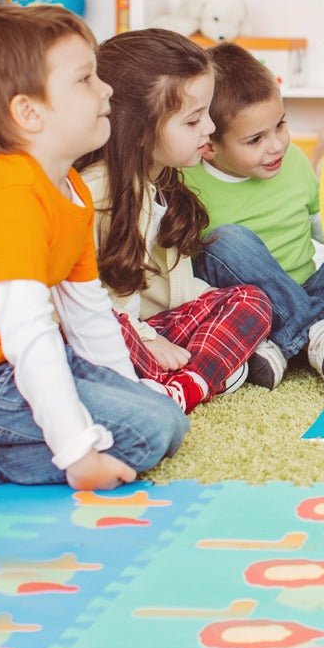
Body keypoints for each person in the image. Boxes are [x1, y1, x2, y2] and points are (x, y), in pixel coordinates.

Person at [0, 4, 187, 488]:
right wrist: (78, 454)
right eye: (85, 79)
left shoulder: (71, 189)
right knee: (144, 435)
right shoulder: (8, 200)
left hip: (9, 366)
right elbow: (27, 332)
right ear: (28, 112)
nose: (106, 90)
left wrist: (128, 390)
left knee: (164, 418)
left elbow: (88, 314)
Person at [77, 29, 275, 414]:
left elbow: (175, 290)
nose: (210, 129)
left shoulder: (160, 179)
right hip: (115, 331)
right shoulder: (98, 191)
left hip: (155, 326)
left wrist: (209, 310)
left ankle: (186, 383)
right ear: (139, 131)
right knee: (103, 336)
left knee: (251, 301)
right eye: (193, 121)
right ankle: (200, 374)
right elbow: (85, 298)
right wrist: (145, 338)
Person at [183, 42, 324, 397]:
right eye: (255, 140)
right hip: (249, 308)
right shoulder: (188, 183)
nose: (277, 146)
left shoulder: (294, 162)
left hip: (311, 293)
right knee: (225, 241)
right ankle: (316, 335)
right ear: (208, 145)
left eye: (281, 125)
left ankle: (285, 343)